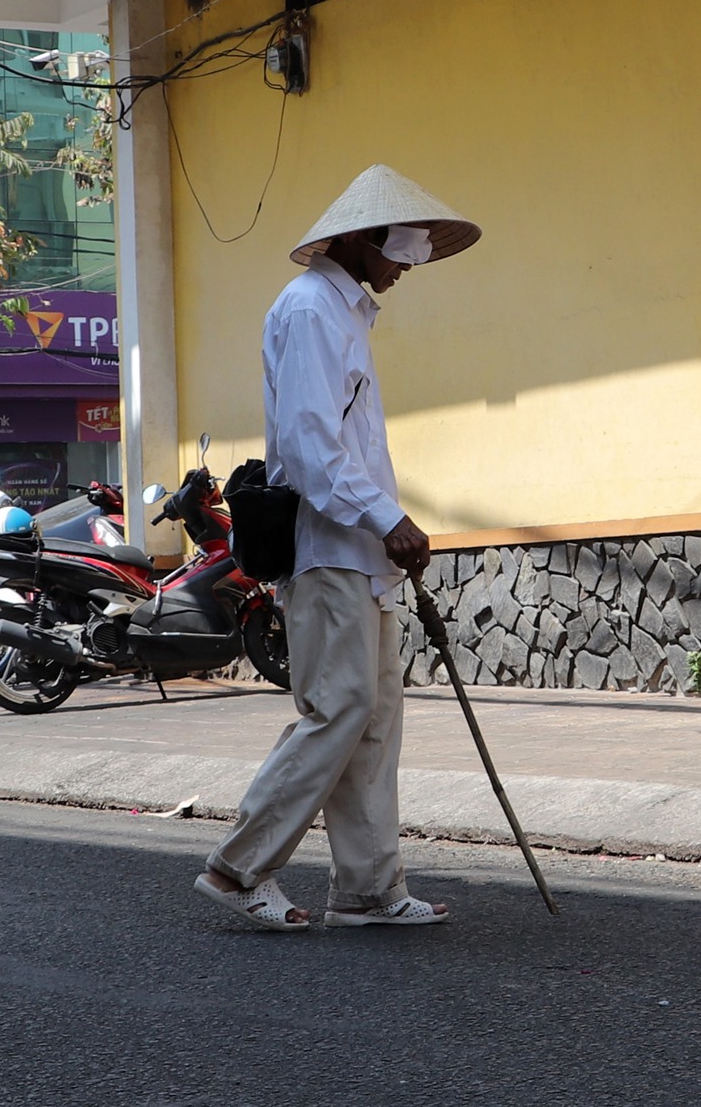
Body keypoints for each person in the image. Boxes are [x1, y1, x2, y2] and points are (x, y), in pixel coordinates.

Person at [195, 164, 481, 931]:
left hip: (358, 553)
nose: (404, 271)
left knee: (373, 718)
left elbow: (337, 447)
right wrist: (388, 517)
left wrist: (384, 527)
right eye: (400, 254)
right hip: (329, 550)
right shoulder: (313, 312)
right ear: (360, 239)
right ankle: (238, 867)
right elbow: (310, 446)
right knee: (340, 708)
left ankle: (368, 888)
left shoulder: (344, 312)